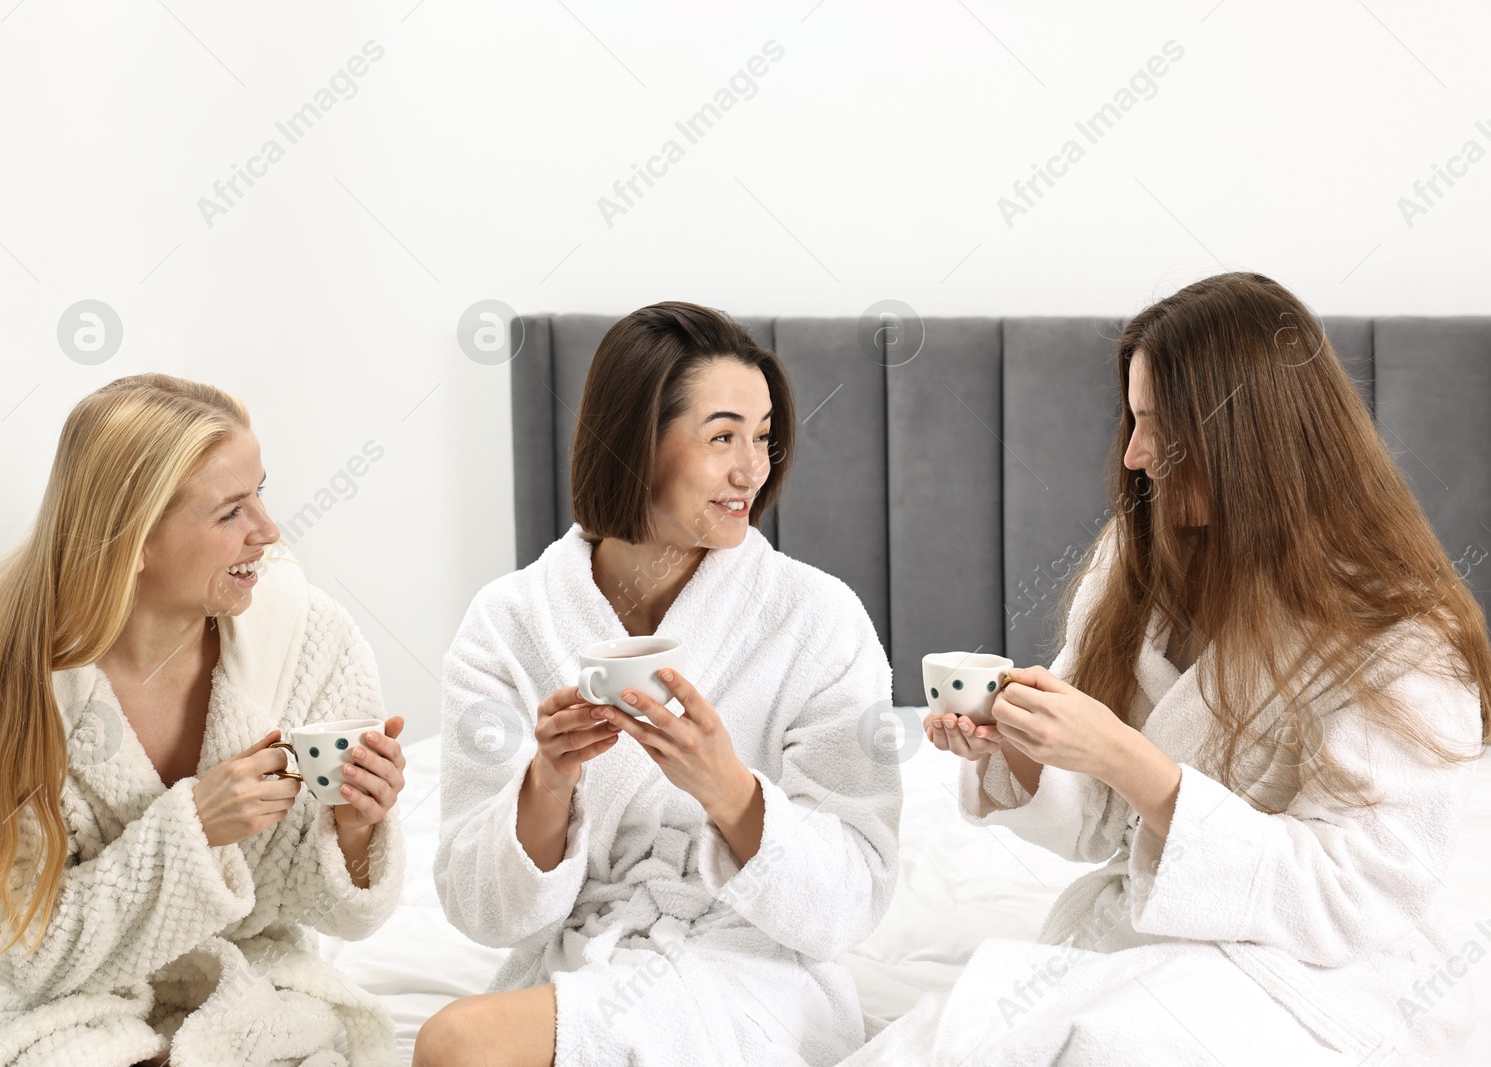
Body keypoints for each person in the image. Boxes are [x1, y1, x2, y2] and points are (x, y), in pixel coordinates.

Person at [847, 272, 1491, 1065]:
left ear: (1251, 435)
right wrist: (1017, 745)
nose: (1133, 453)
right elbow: (1097, 822)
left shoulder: (1400, 639)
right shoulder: (1140, 564)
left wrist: (1128, 759)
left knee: (1092, 1041)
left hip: (1322, 974)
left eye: (1159, 425)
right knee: (964, 1025)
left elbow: (1352, 895)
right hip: (1168, 935)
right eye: (1133, 419)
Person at [418, 302, 902, 1066]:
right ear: (636, 441)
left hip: (754, 969)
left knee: (457, 1043)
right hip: (582, 961)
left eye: (763, 437)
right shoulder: (508, 623)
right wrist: (549, 779)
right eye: (721, 438)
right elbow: (482, 907)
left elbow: (851, 895)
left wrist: (729, 790)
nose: (753, 469)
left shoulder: (816, 618)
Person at [0, 373, 410, 1066]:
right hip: (51, 1004)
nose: (268, 530)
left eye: (262, 490)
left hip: (245, 981)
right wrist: (195, 826)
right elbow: (25, 951)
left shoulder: (304, 638)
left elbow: (342, 912)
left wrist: (354, 831)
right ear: (134, 540)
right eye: (230, 512)